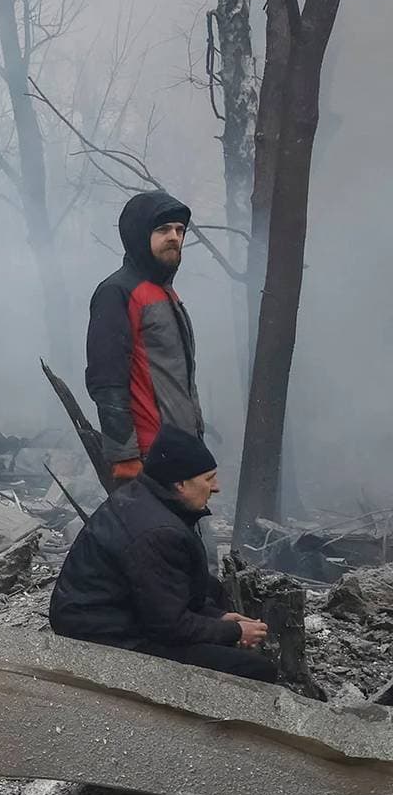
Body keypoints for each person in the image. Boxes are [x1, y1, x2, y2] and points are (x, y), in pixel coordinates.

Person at [49, 425, 277, 682]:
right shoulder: (158, 534)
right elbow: (169, 627)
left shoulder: (143, 495)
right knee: (257, 670)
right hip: (102, 637)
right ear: (180, 484)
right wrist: (234, 632)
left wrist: (218, 617)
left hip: (112, 614)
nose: (216, 487)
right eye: (208, 479)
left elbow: (166, 593)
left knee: (212, 590)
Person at [86, 191, 203, 482]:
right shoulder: (117, 292)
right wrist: (124, 455)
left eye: (179, 230)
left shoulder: (167, 294)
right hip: (149, 456)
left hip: (182, 451)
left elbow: (179, 381)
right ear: (139, 235)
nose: (174, 237)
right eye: (163, 230)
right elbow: (107, 378)